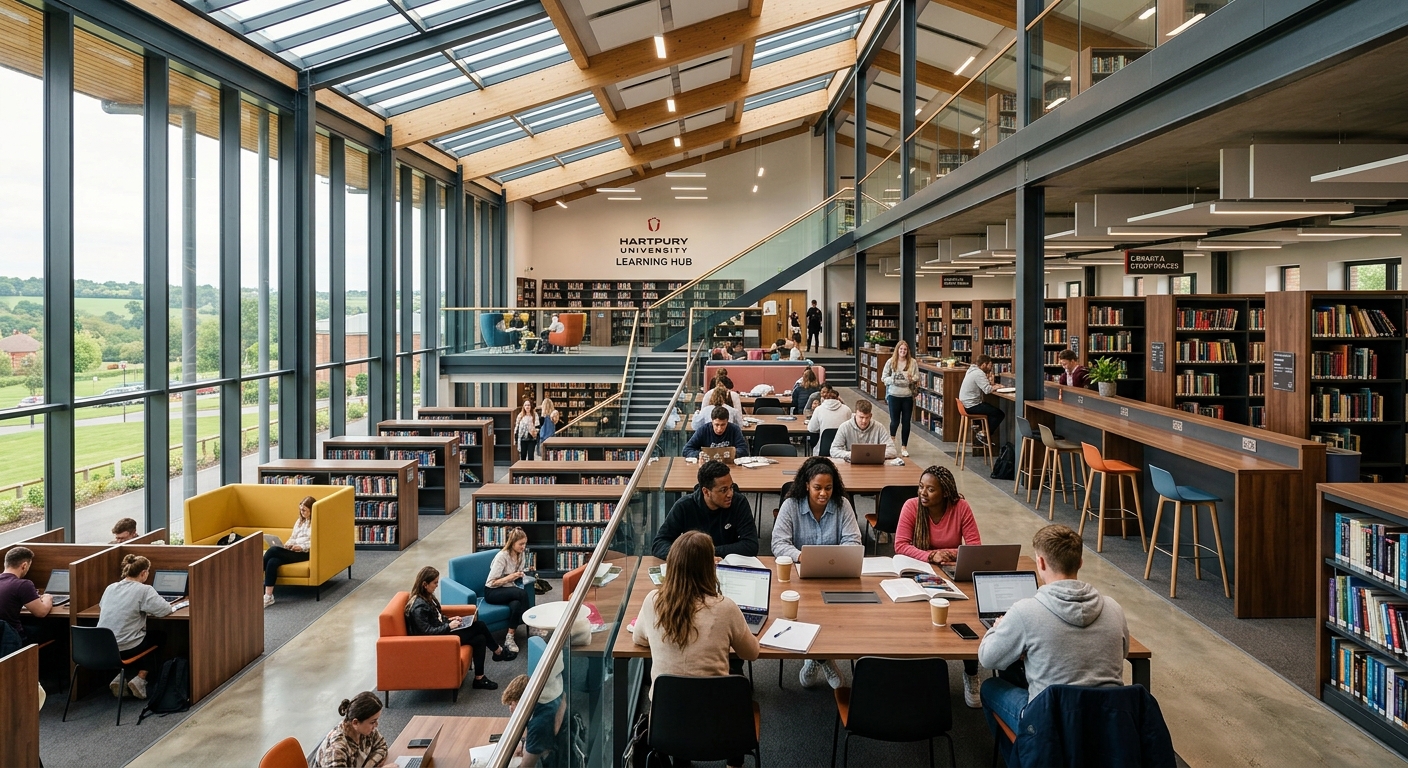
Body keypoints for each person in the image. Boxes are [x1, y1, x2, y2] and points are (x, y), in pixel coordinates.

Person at [978, 524, 1129, 764]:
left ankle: (1024, 760)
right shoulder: (1113, 608)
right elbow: (1122, 652)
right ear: (1080, 562)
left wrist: (997, 628)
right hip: (1107, 722)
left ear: (1040, 563)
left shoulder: (1025, 612)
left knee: (990, 687)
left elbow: (987, 657)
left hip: (1047, 722)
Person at [634, 531, 761, 768]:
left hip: (666, 721)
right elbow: (751, 653)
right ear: (708, 568)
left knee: (683, 694)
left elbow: (640, 638)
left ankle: (682, 759)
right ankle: (733, 762)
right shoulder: (725, 608)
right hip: (720, 724)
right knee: (736, 682)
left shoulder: (653, 600)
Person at [895, 466, 984, 705]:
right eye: (921, 487)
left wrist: (946, 555)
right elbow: (900, 545)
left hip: (952, 573)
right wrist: (930, 556)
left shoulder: (960, 508)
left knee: (967, 620)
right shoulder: (912, 506)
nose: (923, 493)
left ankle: (971, 673)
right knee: (915, 621)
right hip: (920, 572)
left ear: (945, 492)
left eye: (930, 489)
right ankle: (918, 671)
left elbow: (974, 546)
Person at [770, 457, 860, 690]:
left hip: (837, 576)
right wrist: (802, 557)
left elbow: (853, 541)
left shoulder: (842, 504)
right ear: (807, 485)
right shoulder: (791, 505)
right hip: (801, 577)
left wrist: (837, 559)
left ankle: (818, 658)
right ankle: (822, 659)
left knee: (842, 617)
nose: (823, 494)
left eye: (828, 488)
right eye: (817, 487)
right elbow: (779, 544)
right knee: (806, 613)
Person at [404, 565, 515, 692]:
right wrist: (448, 626)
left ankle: (479, 678)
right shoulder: (418, 607)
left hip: (443, 632)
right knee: (480, 626)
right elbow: (427, 632)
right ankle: (498, 651)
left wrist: (449, 619)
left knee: (480, 638)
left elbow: (437, 617)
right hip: (437, 641)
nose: (437, 586)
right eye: (434, 583)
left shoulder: (428, 597)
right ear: (425, 584)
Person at [96, 554, 173, 699]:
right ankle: (140, 679)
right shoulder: (144, 590)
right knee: (159, 636)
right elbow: (165, 610)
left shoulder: (110, 587)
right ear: (143, 573)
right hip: (127, 648)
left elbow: (102, 606)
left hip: (104, 647)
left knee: (132, 636)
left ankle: (121, 678)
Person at [651, 460, 757, 559]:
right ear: (706, 492)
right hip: (695, 566)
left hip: (727, 564)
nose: (730, 494)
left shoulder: (739, 502)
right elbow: (659, 543)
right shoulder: (684, 506)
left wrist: (707, 553)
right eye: (723, 490)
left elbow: (751, 545)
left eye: (731, 487)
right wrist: (692, 556)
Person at [501, 672, 566, 768]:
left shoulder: (538, 724)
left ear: (522, 701)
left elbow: (526, 766)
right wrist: (526, 746)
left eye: (511, 703)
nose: (510, 709)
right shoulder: (545, 702)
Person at [309, 691, 389, 768]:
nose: (376, 725)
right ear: (355, 723)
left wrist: (369, 764)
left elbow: (382, 746)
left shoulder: (365, 730)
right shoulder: (336, 750)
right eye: (372, 722)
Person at [485, 528, 533, 654]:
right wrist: (510, 577)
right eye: (521, 544)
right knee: (522, 594)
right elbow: (491, 582)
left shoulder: (521, 554)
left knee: (516, 604)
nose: (523, 547)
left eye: (525, 543)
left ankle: (509, 637)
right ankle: (531, 624)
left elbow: (517, 575)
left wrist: (519, 575)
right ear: (512, 543)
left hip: (508, 589)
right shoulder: (502, 556)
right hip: (492, 591)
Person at [263, 495, 314, 607]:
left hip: (304, 553)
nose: (302, 512)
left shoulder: (316, 523)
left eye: (304, 510)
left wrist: (301, 547)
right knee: (273, 561)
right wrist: (288, 544)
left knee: (273, 550)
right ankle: (268, 596)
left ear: (311, 510)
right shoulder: (299, 521)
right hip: (293, 550)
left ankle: (252, 575)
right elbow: (293, 536)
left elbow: (315, 542)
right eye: (300, 510)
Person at [0, 547, 53, 648]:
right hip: (13, 638)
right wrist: (47, 597)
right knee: (58, 629)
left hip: (3, 636)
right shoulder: (23, 585)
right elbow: (41, 612)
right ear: (24, 565)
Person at [883, 340, 920, 457]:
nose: (903, 351)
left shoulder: (912, 362)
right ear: (897, 350)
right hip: (894, 395)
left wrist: (911, 378)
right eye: (901, 349)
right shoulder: (890, 362)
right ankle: (892, 442)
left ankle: (904, 446)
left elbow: (917, 376)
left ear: (907, 351)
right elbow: (883, 377)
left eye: (905, 349)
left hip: (907, 396)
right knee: (894, 421)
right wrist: (892, 380)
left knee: (906, 422)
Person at [829, 399, 897, 461]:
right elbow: (834, 450)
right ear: (855, 414)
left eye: (867, 417)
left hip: (874, 466)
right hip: (852, 465)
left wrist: (872, 455)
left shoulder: (879, 427)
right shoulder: (844, 427)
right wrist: (851, 455)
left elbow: (892, 451)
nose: (864, 421)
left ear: (871, 415)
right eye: (861, 417)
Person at [959, 354, 1003, 444]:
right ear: (983, 365)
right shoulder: (979, 373)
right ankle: (984, 434)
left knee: (988, 409)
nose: (990, 368)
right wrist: (998, 386)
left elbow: (983, 385)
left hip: (965, 404)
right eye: (989, 366)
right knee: (999, 414)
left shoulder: (971, 370)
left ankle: (978, 427)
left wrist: (990, 383)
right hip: (971, 405)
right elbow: (987, 390)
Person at [682, 407, 749, 459]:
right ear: (712, 421)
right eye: (716, 425)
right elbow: (686, 450)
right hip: (708, 466)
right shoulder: (703, 430)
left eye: (723, 425)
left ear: (727, 422)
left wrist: (732, 453)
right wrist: (699, 454)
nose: (719, 429)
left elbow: (744, 450)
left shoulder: (735, 429)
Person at [807, 386, 852, 454]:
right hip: (843, 449)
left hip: (823, 448)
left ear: (823, 399)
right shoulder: (847, 409)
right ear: (838, 398)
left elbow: (811, 429)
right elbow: (850, 428)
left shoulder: (819, 409)